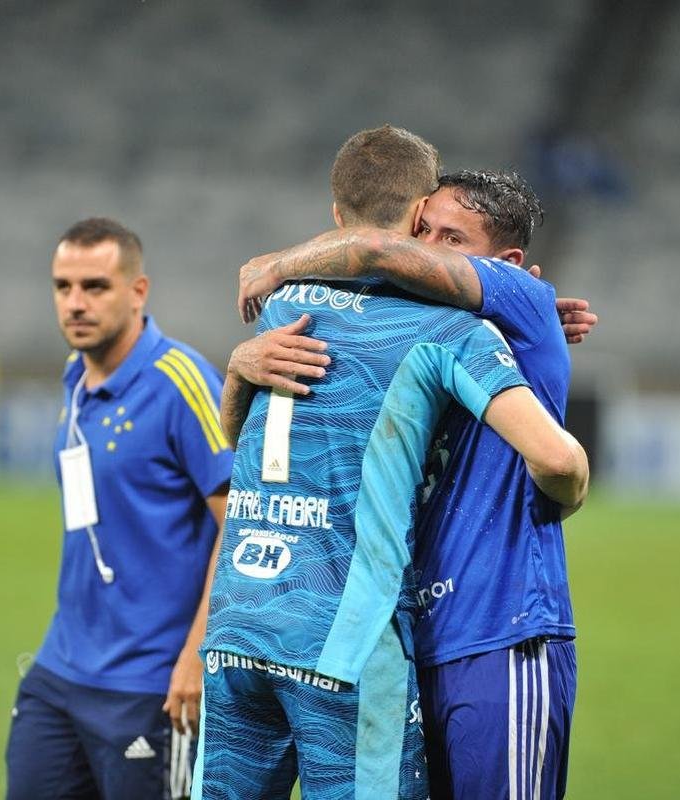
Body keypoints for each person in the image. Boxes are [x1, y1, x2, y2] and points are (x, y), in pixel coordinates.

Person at [194, 127, 588, 800]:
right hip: (404, 629)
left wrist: (276, 264)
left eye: (449, 240)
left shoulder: (481, 314)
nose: (421, 252)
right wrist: (238, 368)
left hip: (499, 630)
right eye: (424, 229)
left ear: (509, 263)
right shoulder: (437, 326)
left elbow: (378, 247)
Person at [5, 217, 233, 800]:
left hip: (149, 682)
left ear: (138, 292)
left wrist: (196, 657)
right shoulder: (74, 380)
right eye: (63, 286)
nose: (75, 303)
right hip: (60, 670)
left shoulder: (181, 381)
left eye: (95, 286)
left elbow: (238, 525)